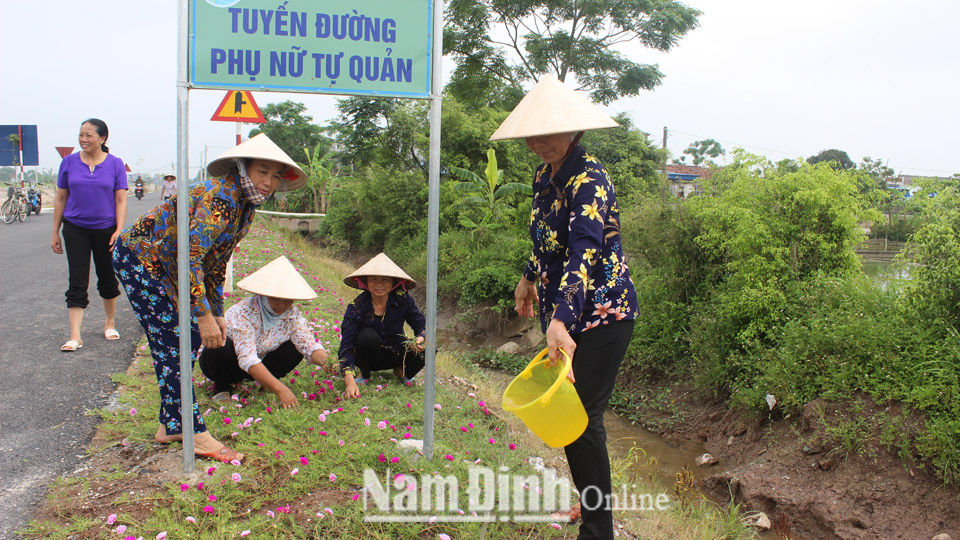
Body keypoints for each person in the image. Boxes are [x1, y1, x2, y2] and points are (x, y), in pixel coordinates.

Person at [490, 74, 638, 540]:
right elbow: (547, 243)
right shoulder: (544, 176)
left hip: (602, 314)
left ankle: (599, 530)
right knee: (572, 417)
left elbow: (583, 252)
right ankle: (590, 503)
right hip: (563, 316)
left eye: (549, 133)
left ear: (574, 131)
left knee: (582, 417)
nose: (539, 143)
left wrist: (559, 320)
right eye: (532, 135)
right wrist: (529, 277)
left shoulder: (590, 177)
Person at [112, 134, 307, 462]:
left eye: (276, 176)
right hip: (141, 260)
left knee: (184, 336)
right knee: (176, 338)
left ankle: (170, 424)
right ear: (244, 167)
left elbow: (216, 262)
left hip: (169, 267)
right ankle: (190, 429)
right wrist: (202, 315)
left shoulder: (246, 208)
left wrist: (215, 312)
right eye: (262, 172)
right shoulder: (221, 197)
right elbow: (188, 257)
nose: (269, 182)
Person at [198, 255, 330, 407]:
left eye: (287, 299)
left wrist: (327, 362)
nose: (282, 305)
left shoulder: (292, 315)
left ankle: (264, 382)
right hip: (227, 364)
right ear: (265, 294)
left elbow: (308, 345)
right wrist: (281, 390)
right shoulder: (244, 312)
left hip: (258, 363)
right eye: (276, 298)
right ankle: (222, 388)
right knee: (220, 345)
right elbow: (247, 358)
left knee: (294, 348)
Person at [51, 118, 128, 352]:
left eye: (89, 135)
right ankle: (75, 335)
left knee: (106, 277)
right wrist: (55, 230)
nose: (83, 139)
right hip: (75, 228)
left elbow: (121, 199)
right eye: (81, 134)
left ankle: (110, 323)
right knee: (77, 279)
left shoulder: (115, 164)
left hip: (106, 229)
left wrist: (118, 229)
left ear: (103, 138)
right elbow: (61, 197)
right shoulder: (69, 162)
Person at [338, 253, 426, 399]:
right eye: (373, 279)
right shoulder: (356, 307)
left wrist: (420, 338)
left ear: (393, 282)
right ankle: (365, 373)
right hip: (369, 355)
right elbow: (346, 347)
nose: (379, 284)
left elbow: (419, 323)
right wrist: (349, 381)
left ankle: (401, 371)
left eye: (385, 280)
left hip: (396, 352)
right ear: (365, 282)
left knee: (429, 347)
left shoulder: (403, 299)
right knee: (367, 336)